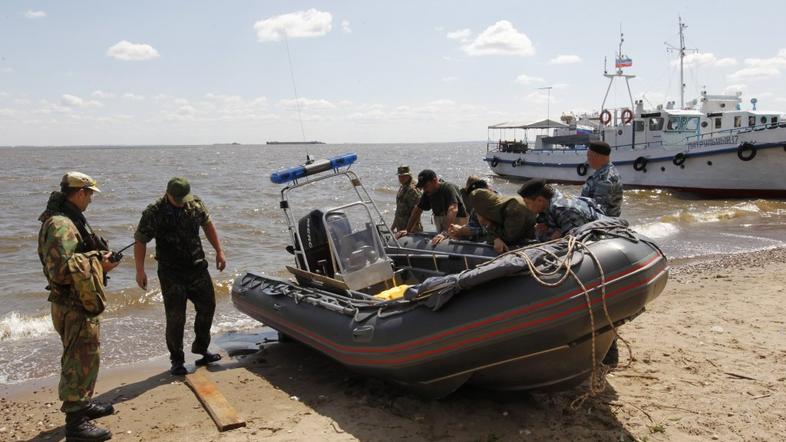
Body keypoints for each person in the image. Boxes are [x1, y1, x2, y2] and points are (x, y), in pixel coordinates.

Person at [37, 172, 117, 441]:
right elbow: (61, 271)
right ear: (80, 192)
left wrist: (98, 259)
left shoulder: (68, 219)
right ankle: (76, 423)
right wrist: (99, 263)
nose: (91, 200)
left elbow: (74, 260)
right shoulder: (61, 224)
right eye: (90, 194)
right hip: (72, 305)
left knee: (86, 357)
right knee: (78, 359)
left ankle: (83, 405)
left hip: (77, 302)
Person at [134, 177, 226, 376]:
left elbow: (208, 225)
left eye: (183, 198)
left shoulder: (195, 205)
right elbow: (140, 241)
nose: (181, 202)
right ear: (167, 193)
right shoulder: (153, 213)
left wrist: (219, 251)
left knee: (208, 307)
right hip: (171, 272)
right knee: (176, 317)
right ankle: (177, 360)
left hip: (197, 267)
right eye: (177, 199)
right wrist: (140, 270)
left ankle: (201, 348)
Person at [518, 178, 606, 241]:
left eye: (527, 203)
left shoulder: (564, 209)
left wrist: (551, 236)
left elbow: (573, 242)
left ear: (540, 200)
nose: (527, 206)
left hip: (603, 237)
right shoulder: (547, 204)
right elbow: (542, 229)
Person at [396, 169, 467, 245]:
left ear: (434, 180)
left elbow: (453, 209)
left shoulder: (448, 188)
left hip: (458, 226)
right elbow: (418, 209)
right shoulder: (428, 192)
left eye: (426, 186)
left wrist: (445, 232)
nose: (424, 189)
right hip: (442, 228)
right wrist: (408, 230)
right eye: (423, 187)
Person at [469, 188, 536, 253]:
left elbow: (509, 238)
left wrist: (488, 226)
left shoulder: (513, 209)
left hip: (530, 241)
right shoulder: (505, 204)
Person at [581, 141, 623, 217]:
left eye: (588, 156)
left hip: (601, 222)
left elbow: (598, 211)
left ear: (597, 156)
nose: (587, 161)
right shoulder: (603, 172)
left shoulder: (605, 179)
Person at [449, 176, 490, 242]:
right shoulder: (475, 207)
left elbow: (489, 230)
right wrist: (461, 230)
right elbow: (472, 223)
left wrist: (464, 230)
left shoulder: (494, 206)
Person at [391, 165, 422, 233]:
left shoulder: (412, 190)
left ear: (409, 176)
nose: (401, 178)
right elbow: (399, 210)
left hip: (411, 229)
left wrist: (409, 230)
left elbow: (417, 211)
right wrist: (393, 227)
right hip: (401, 227)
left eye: (404, 176)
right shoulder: (402, 188)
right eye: (399, 176)